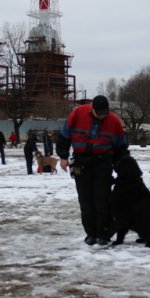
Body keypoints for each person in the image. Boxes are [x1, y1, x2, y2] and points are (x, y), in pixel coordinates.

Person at [57, 95, 129, 246]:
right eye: (99, 113)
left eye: (105, 113)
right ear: (92, 109)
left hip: (102, 162)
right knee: (85, 200)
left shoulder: (113, 120)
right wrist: (63, 156)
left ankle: (103, 233)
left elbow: (121, 146)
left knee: (102, 200)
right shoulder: (77, 113)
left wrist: (122, 166)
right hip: (81, 161)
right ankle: (91, 233)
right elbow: (64, 136)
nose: (103, 116)